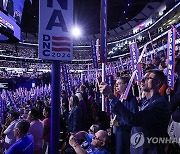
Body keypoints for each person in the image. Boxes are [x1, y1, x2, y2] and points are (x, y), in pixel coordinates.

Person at [99, 69, 170, 154]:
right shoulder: (145, 101)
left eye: (147, 78)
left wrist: (111, 96)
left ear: (157, 83)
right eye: (143, 77)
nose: (142, 80)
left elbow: (133, 119)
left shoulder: (159, 104)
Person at [112, 76, 138, 154]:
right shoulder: (120, 97)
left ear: (126, 85)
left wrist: (118, 123)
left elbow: (133, 118)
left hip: (126, 133)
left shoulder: (130, 99)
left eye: (118, 84)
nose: (116, 86)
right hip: (118, 131)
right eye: (116, 84)